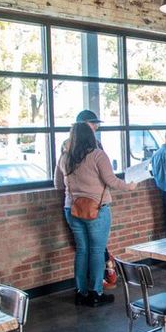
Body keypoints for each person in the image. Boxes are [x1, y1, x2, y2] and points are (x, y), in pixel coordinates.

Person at [55, 122, 137, 307]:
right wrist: (129, 186)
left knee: (82, 250)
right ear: (90, 136)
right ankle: (95, 293)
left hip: (72, 209)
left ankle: (80, 292)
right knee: (97, 250)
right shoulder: (98, 155)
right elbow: (112, 181)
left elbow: (58, 184)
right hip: (97, 209)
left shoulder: (65, 158)